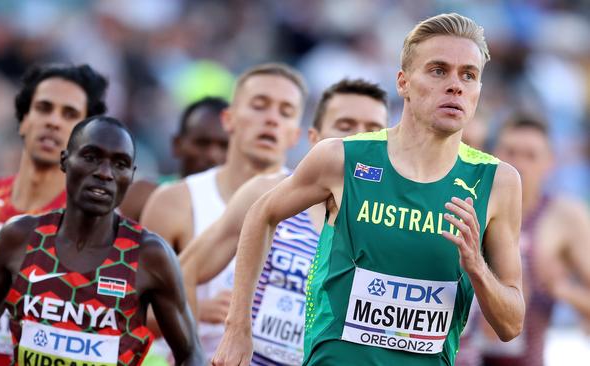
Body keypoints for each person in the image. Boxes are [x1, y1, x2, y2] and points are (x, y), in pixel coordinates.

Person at [213, 13, 525, 366]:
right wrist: (237, 327)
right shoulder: (342, 157)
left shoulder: (498, 182)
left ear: (479, 90)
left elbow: (511, 325)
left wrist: (478, 269)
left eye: (469, 75)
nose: (456, 85)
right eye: (438, 70)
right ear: (403, 83)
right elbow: (261, 214)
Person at [0, 116, 205, 366]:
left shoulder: (149, 255)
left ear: (131, 175)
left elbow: (191, 353)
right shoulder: (20, 238)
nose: (105, 173)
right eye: (91, 157)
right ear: (65, 160)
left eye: (120, 164)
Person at [180, 79, 389, 365]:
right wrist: (198, 348)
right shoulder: (266, 194)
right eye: (345, 126)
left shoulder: (389, 226)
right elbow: (181, 274)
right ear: (315, 138)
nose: (357, 139)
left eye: (372, 131)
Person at [0, 63, 108, 366]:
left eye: (69, 114)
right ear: (23, 121)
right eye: (44, 108)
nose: (54, 121)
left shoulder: (95, 223)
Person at [140, 63, 306, 360]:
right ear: (229, 119)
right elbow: (132, 307)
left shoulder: (311, 207)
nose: (271, 120)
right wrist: (196, 311)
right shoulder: (175, 201)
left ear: (295, 135)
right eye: (259, 106)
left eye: (285, 112)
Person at [476, 115, 590, 366]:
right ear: (493, 154)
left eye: (530, 156)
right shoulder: (471, 205)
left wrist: (564, 289)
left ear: (550, 163)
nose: (518, 163)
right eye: (511, 152)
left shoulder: (562, 217)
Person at [119, 97, 230, 221]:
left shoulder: (242, 206)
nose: (212, 155)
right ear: (177, 145)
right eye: (202, 143)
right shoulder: (142, 195)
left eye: (224, 146)